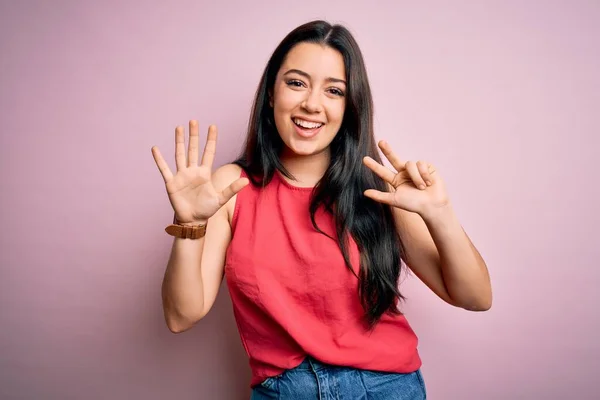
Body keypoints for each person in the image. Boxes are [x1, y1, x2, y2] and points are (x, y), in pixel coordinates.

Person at [151, 20, 492, 399]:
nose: (312, 103)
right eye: (296, 83)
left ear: (349, 107)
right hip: (284, 390)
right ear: (270, 94)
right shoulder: (232, 188)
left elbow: (476, 298)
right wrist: (189, 223)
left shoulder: (379, 187)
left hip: (385, 388)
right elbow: (181, 316)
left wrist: (440, 213)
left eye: (334, 90)